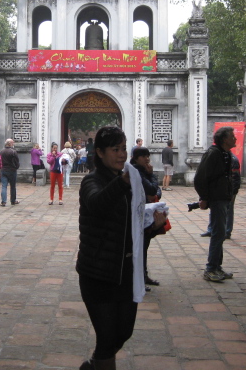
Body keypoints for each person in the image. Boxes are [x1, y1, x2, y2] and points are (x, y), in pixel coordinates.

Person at [76, 126, 164, 370]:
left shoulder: (128, 181)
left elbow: (129, 228)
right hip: (98, 273)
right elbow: (97, 204)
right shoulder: (92, 181)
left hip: (125, 272)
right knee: (106, 339)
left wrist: (152, 226)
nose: (122, 154)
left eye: (124, 148)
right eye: (115, 149)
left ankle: (92, 366)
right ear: (100, 152)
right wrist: (122, 183)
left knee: (123, 332)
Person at [194, 127, 236, 282]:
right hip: (217, 198)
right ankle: (211, 268)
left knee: (220, 233)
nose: (235, 139)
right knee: (218, 234)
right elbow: (200, 178)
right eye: (232, 136)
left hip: (224, 198)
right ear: (224, 139)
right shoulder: (213, 154)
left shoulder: (226, 154)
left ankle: (217, 266)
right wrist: (204, 197)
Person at [130, 147, 165, 290]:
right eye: (144, 156)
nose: (147, 159)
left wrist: (152, 185)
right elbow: (151, 189)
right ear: (136, 158)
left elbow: (157, 191)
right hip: (138, 214)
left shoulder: (144, 170)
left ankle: (143, 275)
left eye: (148, 156)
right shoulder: (136, 171)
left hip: (145, 212)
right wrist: (152, 176)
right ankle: (138, 278)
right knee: (139, 248)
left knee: (144, 246)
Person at [201, 153, 241, 239]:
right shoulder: (218, 157)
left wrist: (233, 191)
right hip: (218, 190)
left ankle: (227, 231)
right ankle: (211, 229)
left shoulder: (232, 159)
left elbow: (235, 177)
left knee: (228, 210)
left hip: (229, 190)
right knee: (213, 209)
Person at [0, 139, 20, 206]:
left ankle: (3, 201)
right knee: (13, 186)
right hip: (12, 170)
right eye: (12, 142)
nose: (13, 143)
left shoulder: (1, 151)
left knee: (4, 186)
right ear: (10, 143)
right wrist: (16, 167)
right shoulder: (13, 152)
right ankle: (13, 200)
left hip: (3, 170)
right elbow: (17, 161)